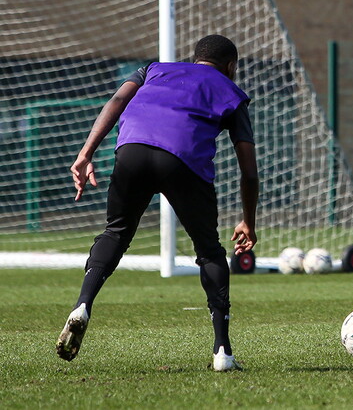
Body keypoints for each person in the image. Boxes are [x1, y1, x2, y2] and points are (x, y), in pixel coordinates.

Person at [57, 34, 259, 371]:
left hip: (132, 149)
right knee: (209, 251)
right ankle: (222, 351)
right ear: (231, 67)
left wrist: (86, 152)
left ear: (195, 58)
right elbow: (249, 171)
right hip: (182, 160)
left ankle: (82, 305)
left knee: (115, 233)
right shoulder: (230, 90)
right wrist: (248, 220)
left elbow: (117, 100)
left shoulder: (154, 70)